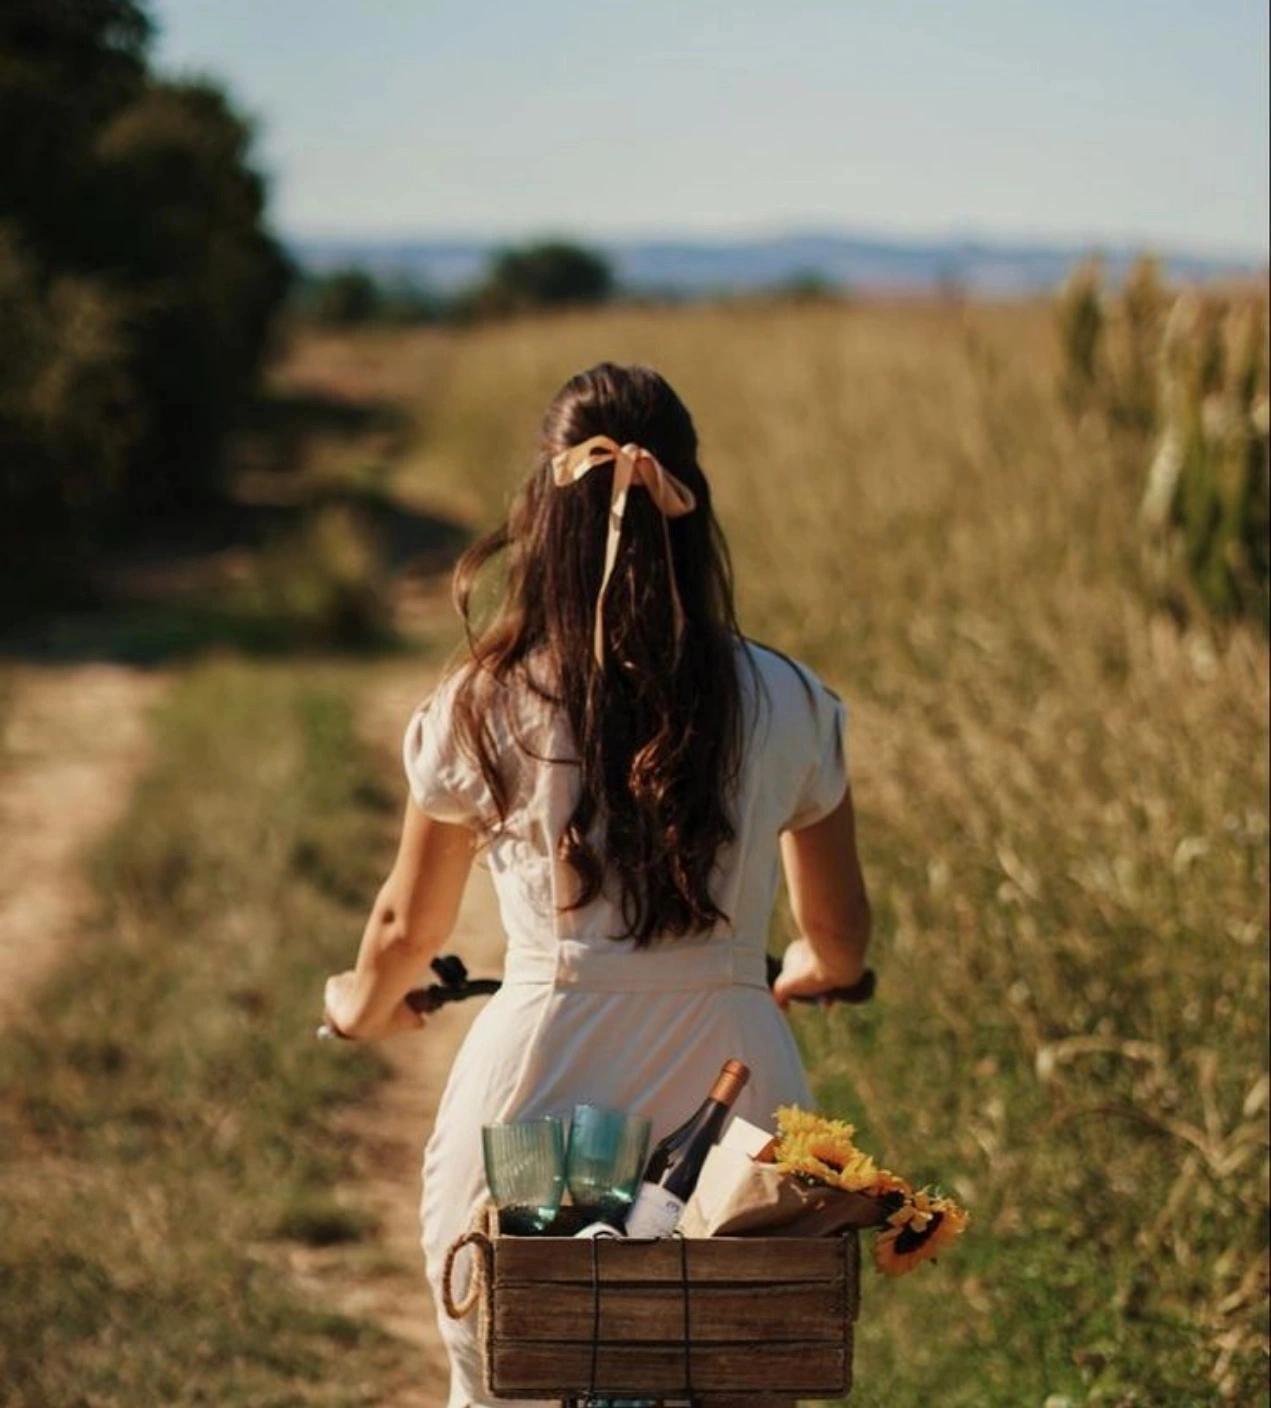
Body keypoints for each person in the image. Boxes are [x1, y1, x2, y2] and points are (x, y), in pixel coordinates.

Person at [321, 362, 873, 1407]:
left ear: (541, 514)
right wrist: (810, 968)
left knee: (512, 1363)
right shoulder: (790, 698)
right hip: (737, 1090)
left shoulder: (483, 701)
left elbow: (403, 924)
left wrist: (357, 1006)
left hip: (534, 1092)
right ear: (690, 505)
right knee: (742, 1362)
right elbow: (836, 929)